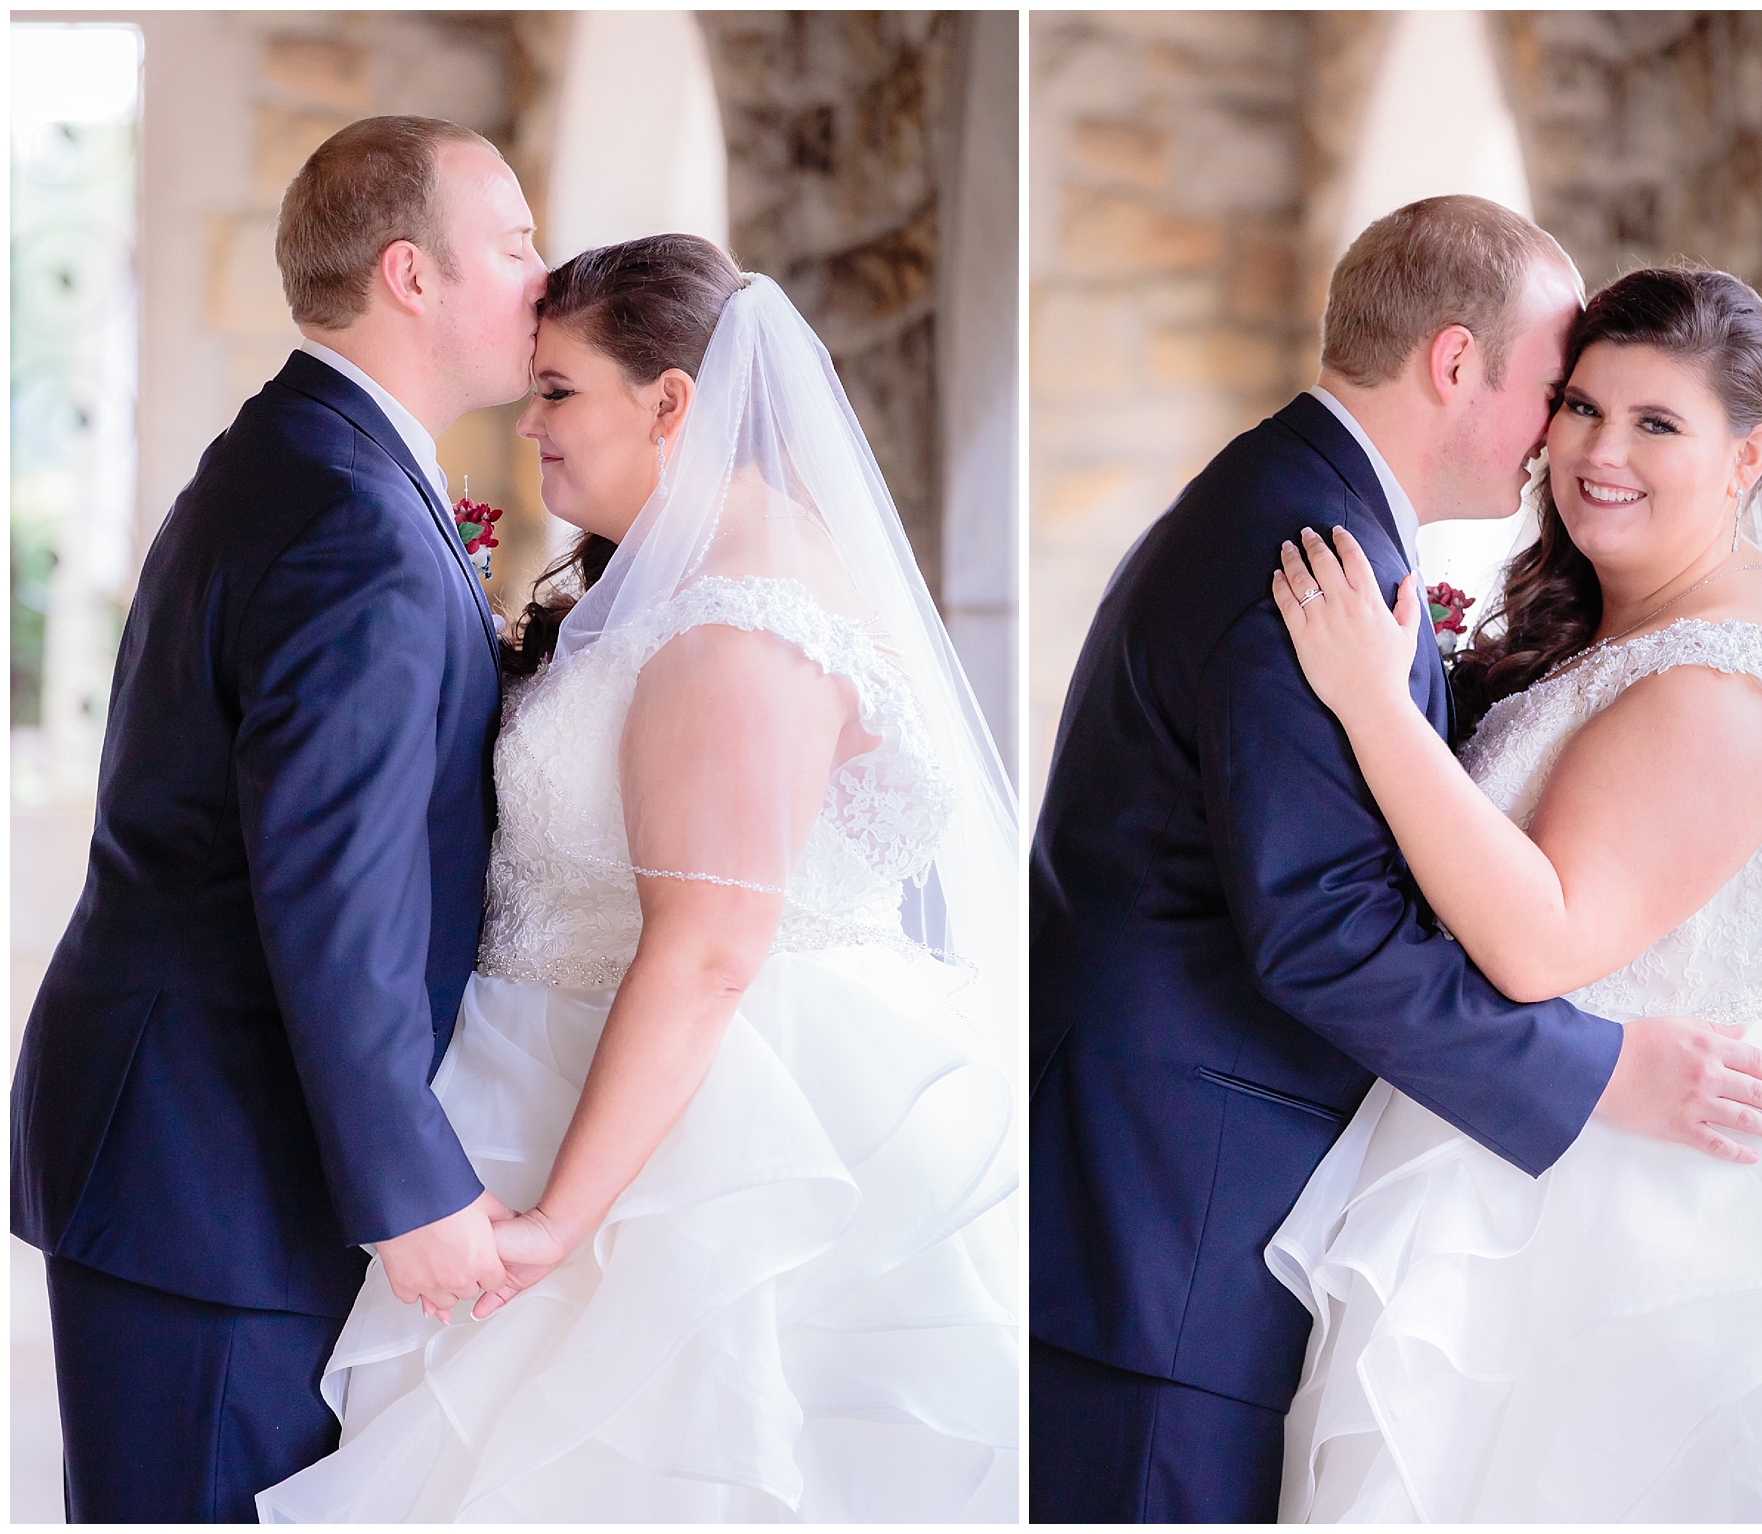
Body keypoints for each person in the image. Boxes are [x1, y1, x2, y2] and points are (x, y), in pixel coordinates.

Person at [1029, 196, 1762, 1523]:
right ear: (1456, 364)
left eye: (1642, 417)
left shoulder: (1303, 504)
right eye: (1563, 392)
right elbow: (1323, 929)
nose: (1570, 439)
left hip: (1188, 1205)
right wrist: (1603, 1069)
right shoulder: (1306, 551)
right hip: (1175, 1224)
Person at [253, 237, 1020, 1522]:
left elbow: (709, 949)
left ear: (672, 403)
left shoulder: (742, 622)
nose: (530, 424)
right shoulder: (687, 584)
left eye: (559, 391)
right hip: (559, 1073)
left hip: (699, 1150)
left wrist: (559, 1223)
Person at [1269, 265, 1762, 1520]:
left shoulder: (1730, 680)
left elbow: (1543, 936)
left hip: (1654, 1222)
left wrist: (1366, 699)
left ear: (1749, 460)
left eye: (1655, 424)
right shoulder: (1624, 628)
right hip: (1529, 1150)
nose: (1595, 451)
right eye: (1577, 406)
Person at [11, 116, 546, 1521]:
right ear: (410, 274)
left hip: (208, 1153)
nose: (541, 279)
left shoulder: (311, 458)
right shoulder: (348, 514)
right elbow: (330, 888)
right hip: (216, 1178)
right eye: (512, 245)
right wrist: (409, 1188)